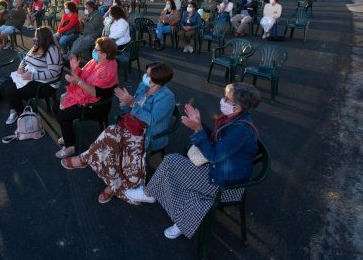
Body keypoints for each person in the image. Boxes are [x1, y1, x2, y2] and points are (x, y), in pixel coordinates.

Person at [125, 82, 260, 240]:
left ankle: (149, 193)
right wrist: (199, 124)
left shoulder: (240, 130)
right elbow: (217, 141)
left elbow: (214, 156)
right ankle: (182, 222)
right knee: (183, 177)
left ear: (237, 107)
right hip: (220, 171)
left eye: (226, 98)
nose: (222, 100)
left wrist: (197, 129)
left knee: (171, 162)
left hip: (227, 184)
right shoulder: (234, 119)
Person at [61, 62, 176, 205]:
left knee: (111, 138)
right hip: (130, 127)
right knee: (111, 136)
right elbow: (129, 109)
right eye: (146, 73)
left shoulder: (167, 97)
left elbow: (152, 120)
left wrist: (132, 104)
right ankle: (112, 184)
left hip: (147, 134)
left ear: (158, 80)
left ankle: (85, 160)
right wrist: (124, 103)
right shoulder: (144, 86)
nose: (145, 77)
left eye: (148, 75)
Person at [55, 37, 119, 158]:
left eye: (96, 49)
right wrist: (74, 69)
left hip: (97, 106)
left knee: (63, 114)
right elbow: (84, 74)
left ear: (105, 54)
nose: (93, 50)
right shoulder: (97, 61)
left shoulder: (107, 69)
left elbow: (95, 93)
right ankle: (68, 133)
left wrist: (77, 80)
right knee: (56, 106)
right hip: (86, 96)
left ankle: (70, 147)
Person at [2, 27, 63, 124]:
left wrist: (33, 76)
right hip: (32, 77)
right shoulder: (37, 46)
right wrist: (21, 67)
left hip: (45, 84)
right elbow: (25, 60)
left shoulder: (52, 50)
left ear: (43, 38)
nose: (34, 38)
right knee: (6, 84)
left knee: (11, 90)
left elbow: (53, 73)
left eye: (36, 36)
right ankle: (14, 110)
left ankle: (21, 115)